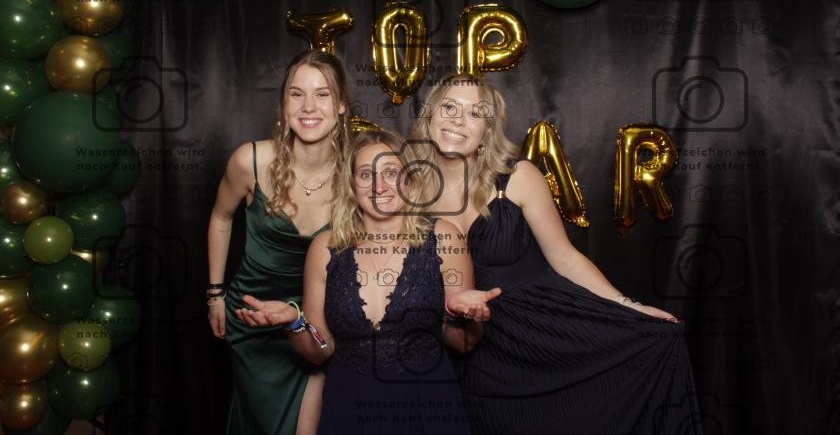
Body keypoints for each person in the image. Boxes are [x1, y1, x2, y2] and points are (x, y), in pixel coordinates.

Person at [408, 73, 704, 434]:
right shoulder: (405, 190)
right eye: (450, 107)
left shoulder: (518, 177)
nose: (458, 121)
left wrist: (631, 307)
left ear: (486, 132)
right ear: (430, 115)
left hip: (546, 335)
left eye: (474, 114)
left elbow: (565, 258)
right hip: (475, 352)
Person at [235, 129, 502, 434]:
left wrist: (460, 315)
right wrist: (295, 323)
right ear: (351, 186)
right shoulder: (325, 248)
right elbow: (320, 350)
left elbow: (464, 344)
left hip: (426, 410)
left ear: (409, 179)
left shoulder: (443, 238)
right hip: (349, 410)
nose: (379, 186)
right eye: (365, 174)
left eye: (390, 172)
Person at [206, 50, 352, 435]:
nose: (308, 107)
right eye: (296, 94)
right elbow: (221, 217)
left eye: (322, 94)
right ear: (284, 104)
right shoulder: (250, 161)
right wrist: (216, 294)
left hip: (319, 323)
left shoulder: (358, 173)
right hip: (252, 320)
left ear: (341, 104)